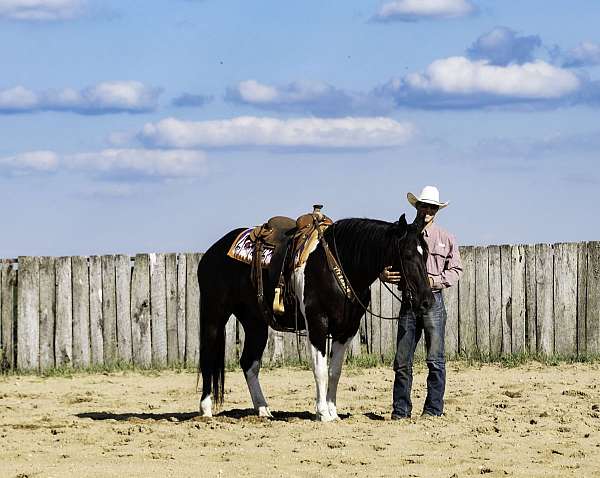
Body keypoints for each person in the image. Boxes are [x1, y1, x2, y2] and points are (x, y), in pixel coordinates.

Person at [380, 185, 462, 419]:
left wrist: (434, 280)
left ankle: (433, 409)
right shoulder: (401, 237)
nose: (427, 210)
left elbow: (456, 270)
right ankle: (401, 410)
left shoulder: (446, 238)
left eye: (432, 207)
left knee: (435, 359)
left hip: (433, 300)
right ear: (417, 207)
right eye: (424, 206)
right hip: (408, 300)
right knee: (402, 360)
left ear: (437, 210)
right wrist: (383, 274)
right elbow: (384, 263)